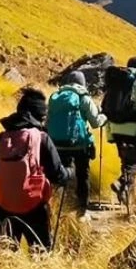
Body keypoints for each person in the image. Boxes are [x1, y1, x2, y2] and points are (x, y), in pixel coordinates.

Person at [0, 88, 72, 251]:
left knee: (6, 258)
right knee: (41, 255)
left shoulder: (2, 137)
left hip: (3, 209)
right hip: (35, 208)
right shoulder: (41, 138)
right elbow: (58, 175)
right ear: (40, 116)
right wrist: (70, 171)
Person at [47, 71, 107, 218]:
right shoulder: (84, 98)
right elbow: (95, 122)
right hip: (79, 144)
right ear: (82, 83)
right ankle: (82, 211)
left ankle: (56, 208)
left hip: (57, 144)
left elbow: (48, 120)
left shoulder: (55, 97)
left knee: (61, 175)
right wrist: (104, 116)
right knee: (82, 175)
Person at [102, 57, 136, 203]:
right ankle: (122, 183)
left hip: (115, 127)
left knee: (126, 161)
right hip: (133, 128)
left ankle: (126, 195)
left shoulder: (116, 80)